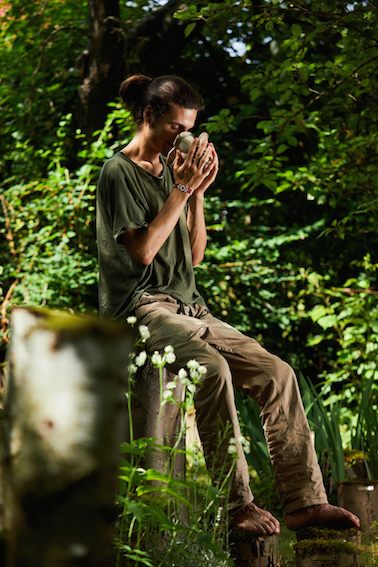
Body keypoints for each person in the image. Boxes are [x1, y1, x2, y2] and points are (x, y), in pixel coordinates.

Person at [96, 74, 360, 535]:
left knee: (277, 374)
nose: (186, 138)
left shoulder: (174, 174)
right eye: (177, 128)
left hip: (189, 307)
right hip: (142, 308)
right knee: (212, 369)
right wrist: (180, 190)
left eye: (191, 128)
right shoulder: (118, 171)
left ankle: (304, 502)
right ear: (148, 116)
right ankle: (238, 507)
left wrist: (195, 194)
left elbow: (195, 256)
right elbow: (141, 253)